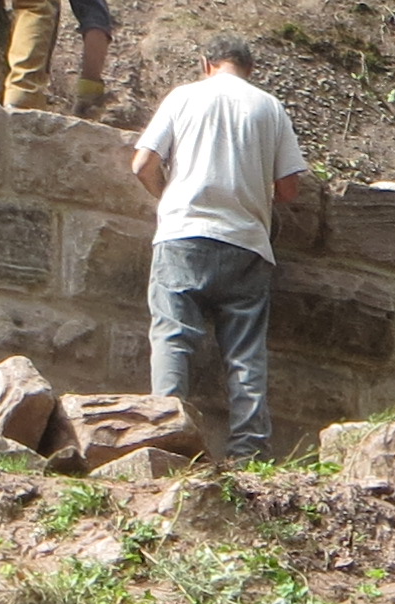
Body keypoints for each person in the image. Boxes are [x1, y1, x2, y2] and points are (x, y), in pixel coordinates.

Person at [130, 33, 308, 464]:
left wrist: (167, 196)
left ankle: (166, 442)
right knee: (245, 355)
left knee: (173, 337)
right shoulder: (269, 107)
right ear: (249, 68)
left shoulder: (184, 96)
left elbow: (142, 164)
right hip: (247, 244)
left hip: (183, 235)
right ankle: (250, 452)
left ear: (205, 63)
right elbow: (289, 188)